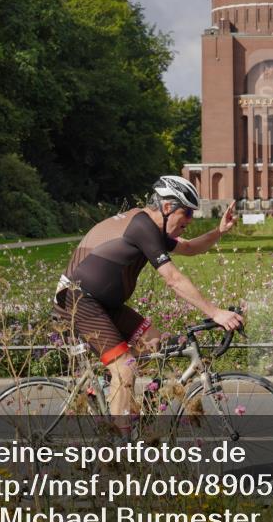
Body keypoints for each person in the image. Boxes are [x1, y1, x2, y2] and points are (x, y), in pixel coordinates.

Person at [53, 175, 243, 436]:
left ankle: (111, 395)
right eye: (186, 212)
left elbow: (188, 248)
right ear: (167, 207)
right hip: (78, 300)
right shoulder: (141, 226)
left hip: (104, 303)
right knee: (124, 369)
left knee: (156, 342)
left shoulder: (150, 228)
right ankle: (120, 454)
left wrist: (219, 231)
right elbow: (173, 280)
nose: (190, 220)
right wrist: (216, 312)